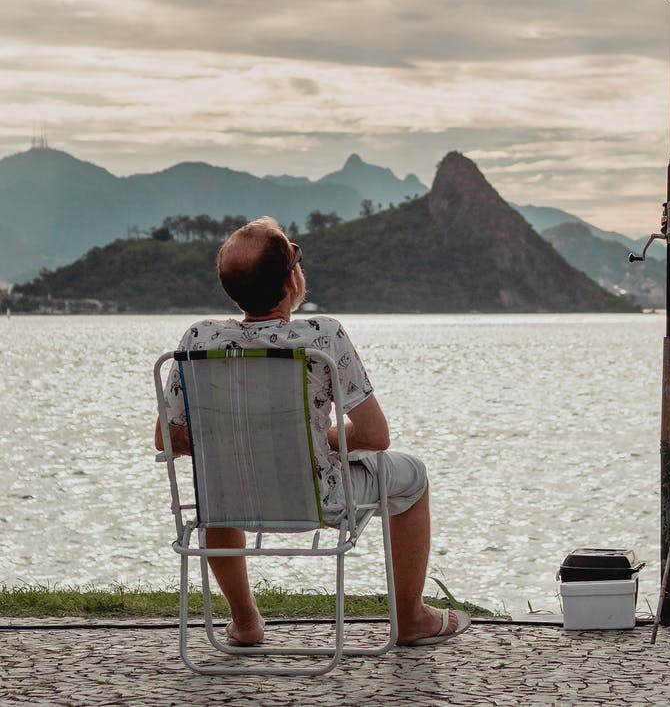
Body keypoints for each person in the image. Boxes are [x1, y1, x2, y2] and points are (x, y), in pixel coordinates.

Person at [155, 215, 470, 648]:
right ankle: (411, 617)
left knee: (218, 483)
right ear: (290, 280)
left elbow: (166, 439)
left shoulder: (197, 339)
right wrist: (322, 439)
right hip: (319, 499)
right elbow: (376, 436)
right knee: (412, 476)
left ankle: (246, 622)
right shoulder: (322, 336)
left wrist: (232, 441)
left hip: (229, 500)